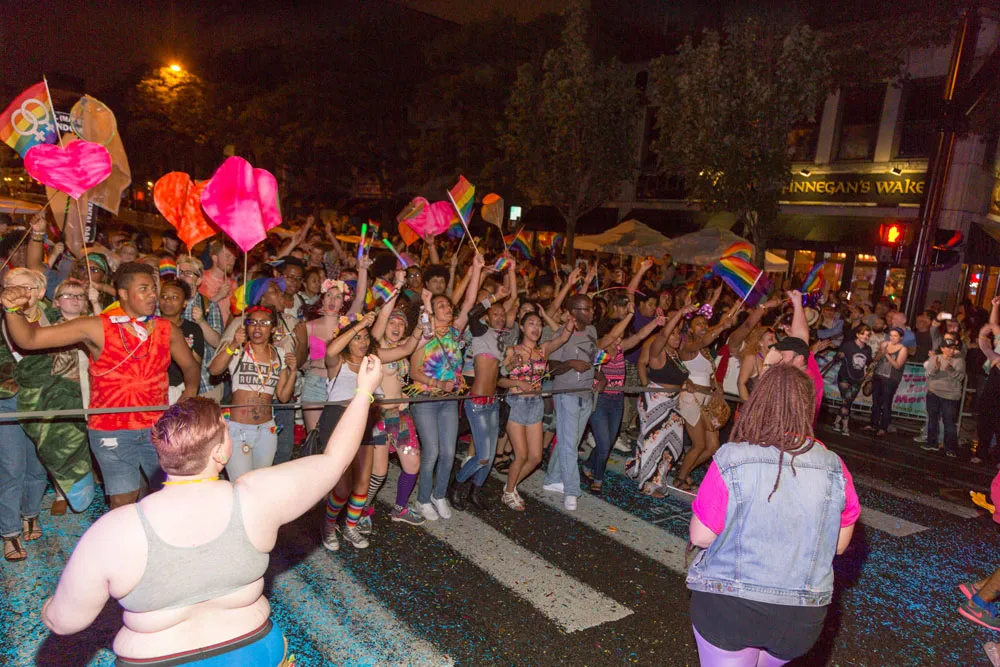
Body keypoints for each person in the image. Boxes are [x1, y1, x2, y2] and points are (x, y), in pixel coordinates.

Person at [41, 358, 382, 664]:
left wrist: (49, 606)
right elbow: (335, 460)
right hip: (251, 653)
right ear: (220, 453)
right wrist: (365, 391)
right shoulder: (257, 498)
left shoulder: (114, 531)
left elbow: (63, 622)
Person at [687, 365, 859, 666]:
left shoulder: (733, 457)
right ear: (809, 407)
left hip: (731, 604)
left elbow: (700, 536)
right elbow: (839, 545)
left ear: (758, 402)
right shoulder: (834, 466)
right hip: (799, 614)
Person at [1, 262, 201, 509]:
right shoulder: (97, 326)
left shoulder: (165, 328)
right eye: (144, 289)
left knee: (166, 495)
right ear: (123, 293)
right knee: (123, 500)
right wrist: (12, 309)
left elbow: (191, 366)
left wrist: (189, 394)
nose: (152, 295)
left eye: (153, 288)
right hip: (111, 428)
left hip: (157, 427)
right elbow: (30, 340)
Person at [410, 255, 482, 521]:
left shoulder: (454, 333)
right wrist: (437, 383)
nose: (448, 308)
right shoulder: (424, 336)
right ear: (432, 311)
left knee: (449, 453)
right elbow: (413, 371)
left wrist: (476, 269)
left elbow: (469, 302)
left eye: (449, 305)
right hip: (425, 399)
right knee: (432, 452)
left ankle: (438, 495)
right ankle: (422, 499)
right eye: (441, 305)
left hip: (449, 401)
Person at [450, 268, 517, 511]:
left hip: (492, 403)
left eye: (502, 314)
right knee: (483, 456)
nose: (499, 317)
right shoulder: (480, 331)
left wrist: (511, 366)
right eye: (495, 314)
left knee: (487, 457)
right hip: (477, 403)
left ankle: (475, 493)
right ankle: (456, 485)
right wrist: (495, 297)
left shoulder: (500, 340)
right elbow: (472, 313)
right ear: (488, 317)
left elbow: (498, 374)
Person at [209, 306, 296, 480]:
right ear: (246, 327)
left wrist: (293, 371)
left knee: (260, 483)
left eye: (264, 323)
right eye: (253, 322)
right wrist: (233, 344)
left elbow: (283, 397)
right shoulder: (238, 351)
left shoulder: (279, 354)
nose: (257, 327)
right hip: (237, 430)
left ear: (273, 329)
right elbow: (214, 370)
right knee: (241, 483)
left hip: (267, 431)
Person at [498, 310, 574, 510]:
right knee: (521, 455)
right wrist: (516, 381)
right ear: (522, 327)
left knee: (535, 457)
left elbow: (563, 338)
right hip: (516, 403)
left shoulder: (543, 350)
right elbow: (499, 379)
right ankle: (508, 493)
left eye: (539, 324)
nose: (536, 328)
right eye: (531, 323)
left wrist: (570, 322)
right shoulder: (511, 351)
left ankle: (510, 487)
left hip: (536, 404)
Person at [318, 310, 379, 549]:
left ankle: (350, 527)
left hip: (365, 422)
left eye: (365, 337)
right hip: (338, 422)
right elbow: (331, 351)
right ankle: (328, 524)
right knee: (342, 487)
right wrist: (360, 324)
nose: (362, 342)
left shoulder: (371, 364)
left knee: (363, 481)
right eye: (357, 338)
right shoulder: (338, 364)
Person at [627, 306, 695, 496]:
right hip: (656, 401)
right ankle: (647, 484)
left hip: (672, 403)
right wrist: (680, 312)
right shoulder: (657, 351)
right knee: (654, 443)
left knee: (674, 445)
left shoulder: (675, 355)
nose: (676, 336)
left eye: (678, 334)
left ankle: (654, 477)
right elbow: (663, 335)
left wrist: (687, 382)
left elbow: (678, 376)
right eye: (672, 334)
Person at [673, 302, 740, 492]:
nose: (703, 326)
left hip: (706, 399)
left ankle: (684, 471)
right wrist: (723, 325)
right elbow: (704, 341)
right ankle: (680, 478)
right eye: (698, 324)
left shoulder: (706, 351)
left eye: (705, 323)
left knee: (712, 447)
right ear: (690, 329)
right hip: (691, 397)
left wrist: (716, 386)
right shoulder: (688, 346)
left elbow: (709, 373)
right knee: (699, 444)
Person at [544, 293, 602, 511]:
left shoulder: (592, 330)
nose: (592, 312)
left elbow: (592, 359)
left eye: (591, 308)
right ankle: (571, 490)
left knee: (571, 441)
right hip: (566, 393)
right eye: (587, 309)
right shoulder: (562, 334)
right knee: (569, 443)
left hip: (586, 393)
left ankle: (552, 478)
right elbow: (551, 368)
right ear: (573, 313)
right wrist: (570, 363)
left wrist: (600, 376)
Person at [177, 256, 224, 399]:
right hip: (175, 383)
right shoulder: (166, 304)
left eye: (188, 273)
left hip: (205, 382)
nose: (182, 276)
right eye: (180, 272)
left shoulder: (209, 306)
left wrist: (201, 321)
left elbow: (217, 343)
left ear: (199, 280)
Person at [159, 279, 205, 405]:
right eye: (163, 296)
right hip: (155, 388)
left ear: (185, 303)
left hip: (180, 391)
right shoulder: (150, 325)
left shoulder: (192, 329)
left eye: (174, 297)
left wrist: (188, 393)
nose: (168, 300)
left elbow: (195, 365)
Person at [919, 332, 966, 457]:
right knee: (932, 419)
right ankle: (931, 443)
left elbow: (960, 378)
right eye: (948, 348)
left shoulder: (959, 361)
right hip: (933, 392)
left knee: (949, 422)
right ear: (942, 348)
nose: (951, 350)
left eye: (953, 348)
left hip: (950, 396)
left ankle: (950, 447)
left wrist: (951, 370)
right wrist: (935, 369)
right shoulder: (935, 358)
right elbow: (927, 374)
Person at [834, 324, 873, 436]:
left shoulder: (868, 349)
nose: (865, 337)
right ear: (857, 334)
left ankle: (836, 422)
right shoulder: (848, 345)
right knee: (846, 401)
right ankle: (845, 427)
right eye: (863, 334)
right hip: (844, 377)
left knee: (847, 402)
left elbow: (869, 363)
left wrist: (871, 370)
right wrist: (840, 355)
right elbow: (836, 357)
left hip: (858, 379)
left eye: (867, 335)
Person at [869, 326, 908, 437]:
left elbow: (897, 365)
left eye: (895, 336)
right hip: (878, 376)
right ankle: (873, 424)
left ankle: (883, 427)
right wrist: (881, 351)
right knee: (876, 402)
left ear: (901, 337)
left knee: (886, 403)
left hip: (891, 379)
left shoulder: (903, 349)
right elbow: (876, 359)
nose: (892, 338)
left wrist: (886, 354)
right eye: (891, 335)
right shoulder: (885, 344)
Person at [200, 240, 238, 324]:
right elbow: (198, 310)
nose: (232, 261)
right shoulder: (201, 279)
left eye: (234, 258)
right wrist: (218, 296)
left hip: (227, 330)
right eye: (227, 256)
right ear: (215, 258)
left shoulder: (233, 283)